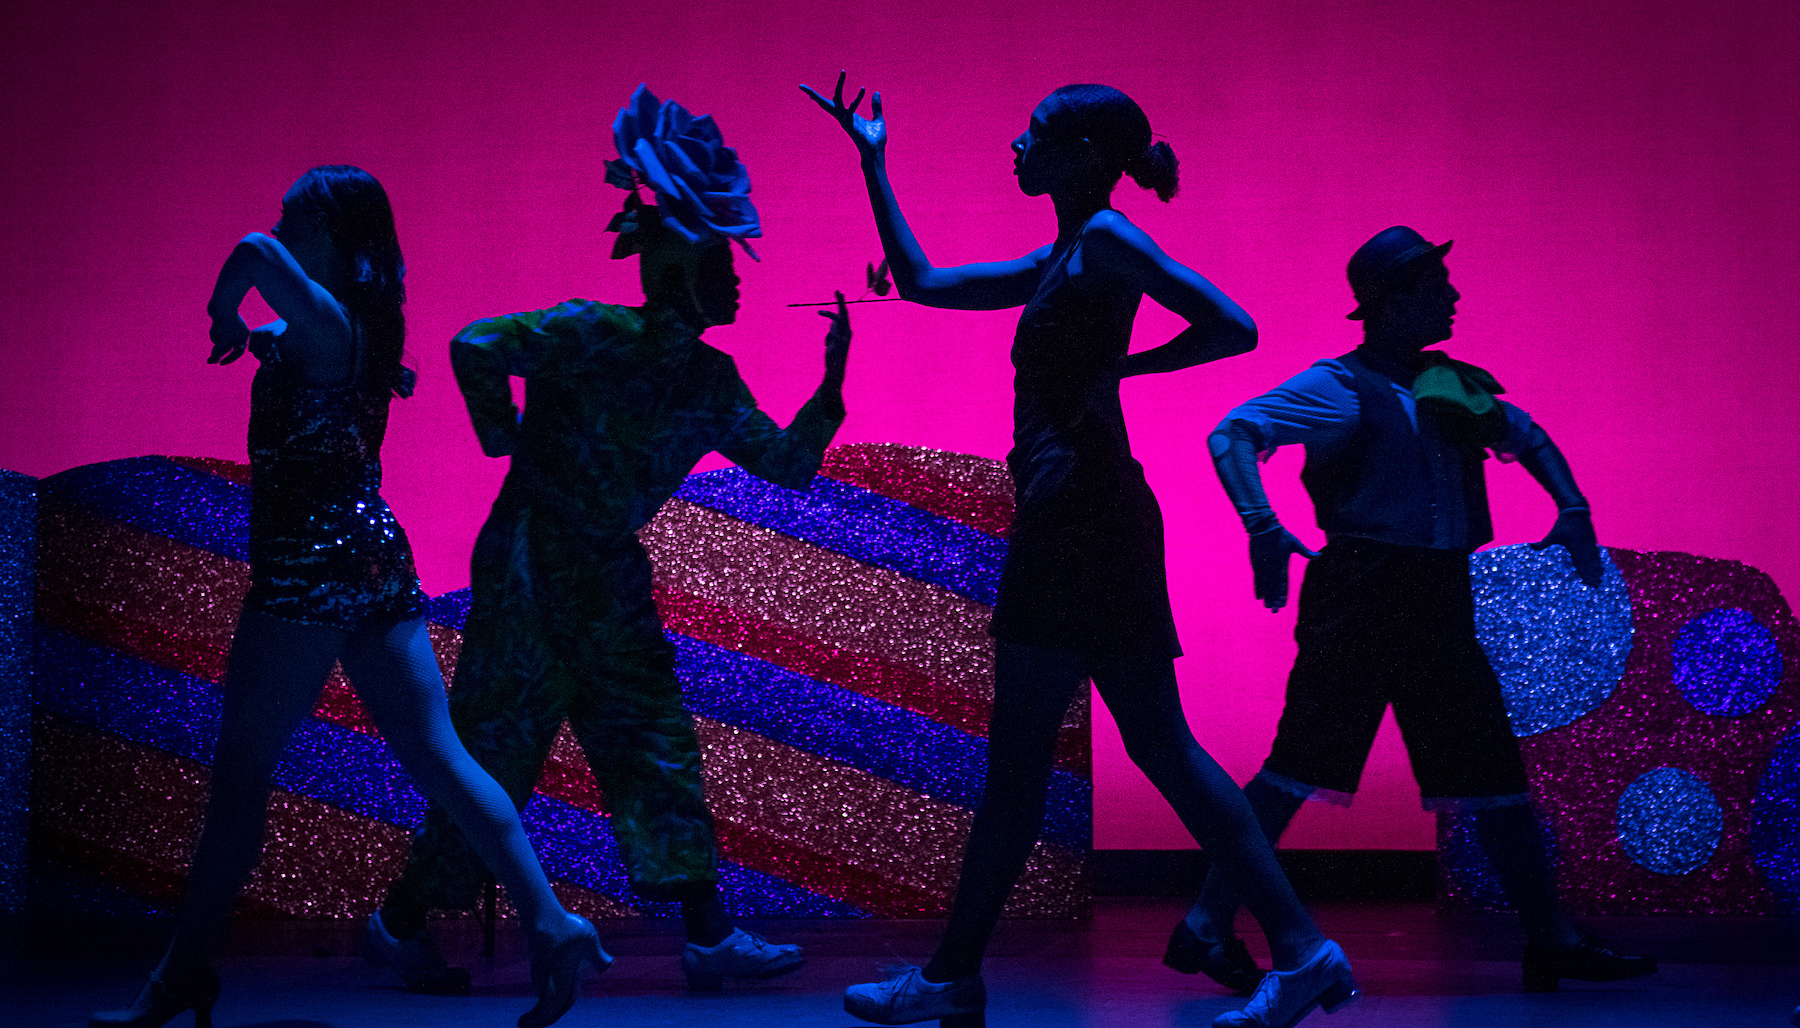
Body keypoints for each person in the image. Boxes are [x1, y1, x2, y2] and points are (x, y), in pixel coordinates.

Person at [803, 74, 1355, 1028]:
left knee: (1037, 761)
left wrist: (1126, 367)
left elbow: (1233, 326)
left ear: (1088, 157)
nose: (1016, 145)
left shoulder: (1104, 239)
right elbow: (929, 284)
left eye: (1035, 133)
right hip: (1090, 513)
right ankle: (1301, 950)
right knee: (1155, 749)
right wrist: (873, 160)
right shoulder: (1065, 252)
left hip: (1079, 516)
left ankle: (951, 977)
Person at [90, 166, 604, 1028]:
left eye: (297, 216)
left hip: (306, 570)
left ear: (332, 233)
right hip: (374, 562)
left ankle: (178, 977)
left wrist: (224, 314)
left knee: (241, 777)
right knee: (441, 757)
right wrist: (260, 340)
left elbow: (251, 255)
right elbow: (299, 345)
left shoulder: (328, 324)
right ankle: (554, 922)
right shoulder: (355, 327)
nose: (278, 225)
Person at [367, 85, 846, 996]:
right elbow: (474, 346)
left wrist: (832, 387)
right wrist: (497, 434)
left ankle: (706, 933)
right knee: (499, 745)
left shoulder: (710, 377)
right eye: (725, 266)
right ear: (682, 269)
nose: (740, 280)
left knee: (653, 739)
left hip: (603, 574)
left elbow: (783, 464)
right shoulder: (593, 332)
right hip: (531, 566)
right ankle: (401, 919)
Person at [1187, 224, 1657, 995]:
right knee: (1297, 764)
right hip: (1364, 590)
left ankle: (1551, 936)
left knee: (1490, 765)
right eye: (1437, 286)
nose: (1454, 296)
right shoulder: (1338, 387)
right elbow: (1234, 432)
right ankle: (1205, 923)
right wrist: (1262, 526)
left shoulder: (1446, 384)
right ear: (1394, 301)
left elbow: (1526, 434)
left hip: (1437, 592)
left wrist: (1573, 507)